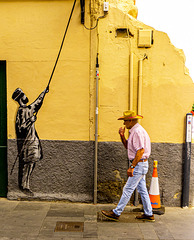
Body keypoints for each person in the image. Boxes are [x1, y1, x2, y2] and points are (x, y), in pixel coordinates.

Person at [101, 110, 155, 222]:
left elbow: (140, 151)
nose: (124, 124)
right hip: (141, 164)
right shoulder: (134, 131)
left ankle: (116, 213)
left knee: (128, 189)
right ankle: (149, 213)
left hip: (139, 164)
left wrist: (132, 167)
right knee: (142, 189)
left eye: (125, 121)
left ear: (131, 121)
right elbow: (128, 147)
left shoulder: (137, 132)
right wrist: (122, 136)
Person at [12, 87, 49, 196]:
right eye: (23, 94)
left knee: (32, 162)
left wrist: (43, 93)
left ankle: (26, 185)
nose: (25, 95)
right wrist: (30, 121)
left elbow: (37, 103)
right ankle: (24, 186)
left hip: (33, 141)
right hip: (26, 143)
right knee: (27, 164)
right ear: (20, 98)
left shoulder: (28, 108)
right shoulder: (21, 111)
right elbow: (21, 128)